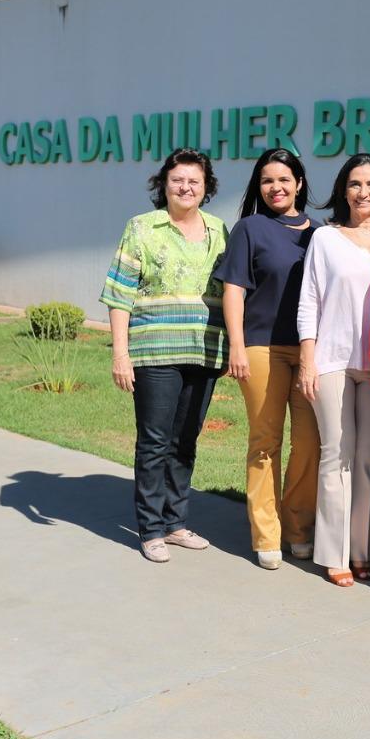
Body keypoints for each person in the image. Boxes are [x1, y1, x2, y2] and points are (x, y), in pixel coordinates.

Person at [100, 147, 228, 564]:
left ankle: (175, 522)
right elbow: (119, 295)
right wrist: (121, 354)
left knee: (185, 439)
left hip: (204, 349)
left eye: (194, 180)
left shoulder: (219, 230)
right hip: (154, 352)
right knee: (155, 441)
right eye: (178, 180)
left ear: (206, 187)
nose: (186, 187)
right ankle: (150, 529)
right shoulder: (141, 228)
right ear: (164, 184)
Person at [297, 154, 370, 587]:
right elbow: (310, 301)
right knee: (335, 455)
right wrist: (308, 357)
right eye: (355, 184)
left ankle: (363, 551)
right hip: (332, 362)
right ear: (344, 190)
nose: (363, 192)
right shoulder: (325, 239)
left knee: (366, 461)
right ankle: (333, 553)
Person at [214, 148, 320, 570]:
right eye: (266, 181)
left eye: (283, 179)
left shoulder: (322, 233)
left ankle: (297, 528)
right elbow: (234, 289)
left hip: (311, 350)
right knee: (265, 442)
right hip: (261, 348)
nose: (275, 188)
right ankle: (266, 534)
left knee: (310, 443)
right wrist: (236, 346)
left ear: (299, 183)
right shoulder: (250, 229)